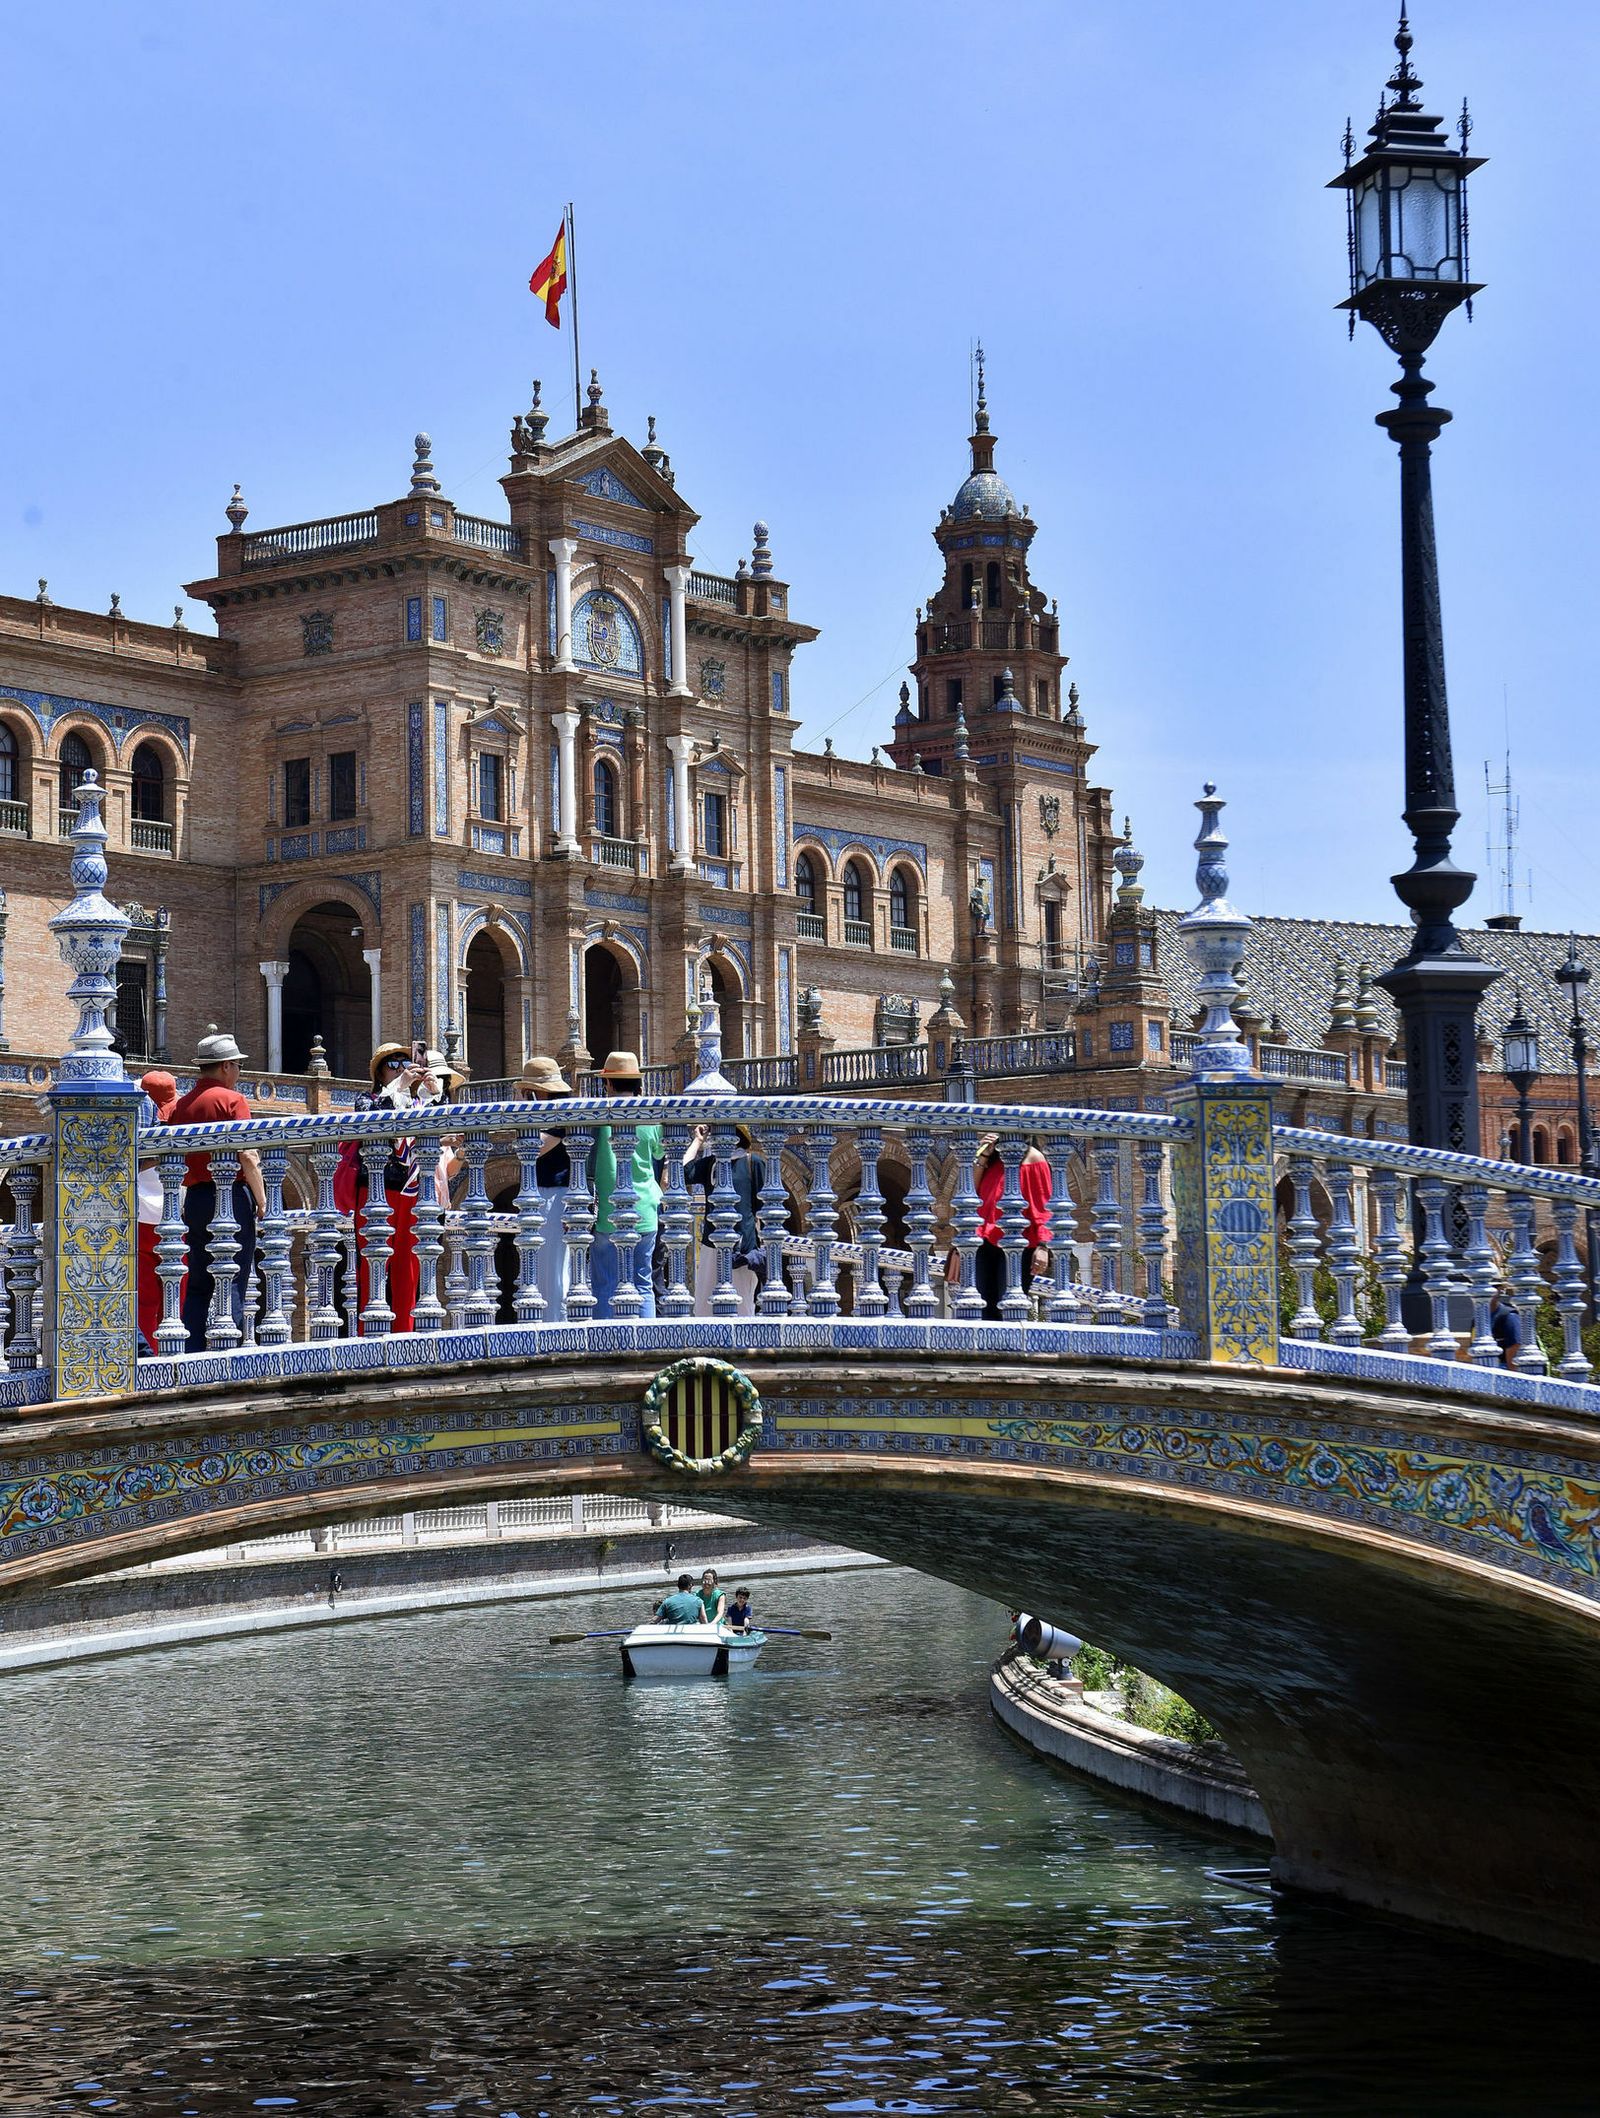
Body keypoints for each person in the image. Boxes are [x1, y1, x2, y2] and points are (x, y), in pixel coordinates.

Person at [345, 1044, 457, 1334]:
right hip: (376, 1190)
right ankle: (369, 1332)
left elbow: (444, 1126)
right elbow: (373, 1121)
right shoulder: (368, 1100)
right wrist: (398, 1087)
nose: (402, 1068)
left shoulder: (420, 1105)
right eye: (393, 1065)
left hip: (412, 1190)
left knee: (408, 1266)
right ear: (380, 1074)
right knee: (373, 1262)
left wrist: (435, 1093)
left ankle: (405, 1333)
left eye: (406, 1062)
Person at [170, 1028, 265, 1351]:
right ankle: (228, 1350)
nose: (239, 1071)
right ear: (226, 1066)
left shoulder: (181, 1106)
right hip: (231, 1198)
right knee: (233, 1276)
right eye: (237, 1065)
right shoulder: (232, 1100)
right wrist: (263, 1199)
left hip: (195, 1199)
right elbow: (248, 1155)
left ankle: (191, 1350)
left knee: (198, 1282)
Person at [591, 1051, 663, 1319]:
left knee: (605, 1284)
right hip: (645, 1210)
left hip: (609, 1213)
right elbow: (658, 1154)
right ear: (639, 1086)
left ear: (608, 1085)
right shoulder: (651, 1117)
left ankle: (603, 1345)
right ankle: (645, 1345)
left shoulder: (597, 1116)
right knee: (643, 1284)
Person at [962, 1134, 1052, 1321]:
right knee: (982, 1305)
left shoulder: (1033, 1158)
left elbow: (1042, 1205)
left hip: (1018, 1242)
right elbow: (969, 1190)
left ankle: (1011, 1349)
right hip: (984, 1239)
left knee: (1009, 1305)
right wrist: (984, 1155)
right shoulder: (993, 1158)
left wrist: (1043, 1246)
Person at [684, 1121, 766, 1316]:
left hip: (742, 1247)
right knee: (705, 1301)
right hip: (711, 1244)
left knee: (742, 1302)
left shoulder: (752, 1163)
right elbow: (684, 1171)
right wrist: (697, 1141)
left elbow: (763, 1207)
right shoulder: (711, 1164)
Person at [516, 1055, 573, 1322]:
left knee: (553, 1269)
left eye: (529, 1092)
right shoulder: (546, 1112)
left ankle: (555, 1326)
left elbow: (532, 1148)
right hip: (540, 1194)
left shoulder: (559, 1114)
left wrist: (524, 1116)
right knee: (538, 1267)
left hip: (554, 1194)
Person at [134, 1069, 180, 1354]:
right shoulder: (180, 1130)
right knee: (176, 1294)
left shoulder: (140, 1123)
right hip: (174, 1220)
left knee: (144, 1298)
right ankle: (174, 1351)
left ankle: (149, 1352)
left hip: (140, 1219)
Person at [1489, 1286, 1525, 1367]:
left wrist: (1511, 1376)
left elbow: (1515, 1346)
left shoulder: (1509, 1315)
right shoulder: (1477, 1318)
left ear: (1498, 1291)